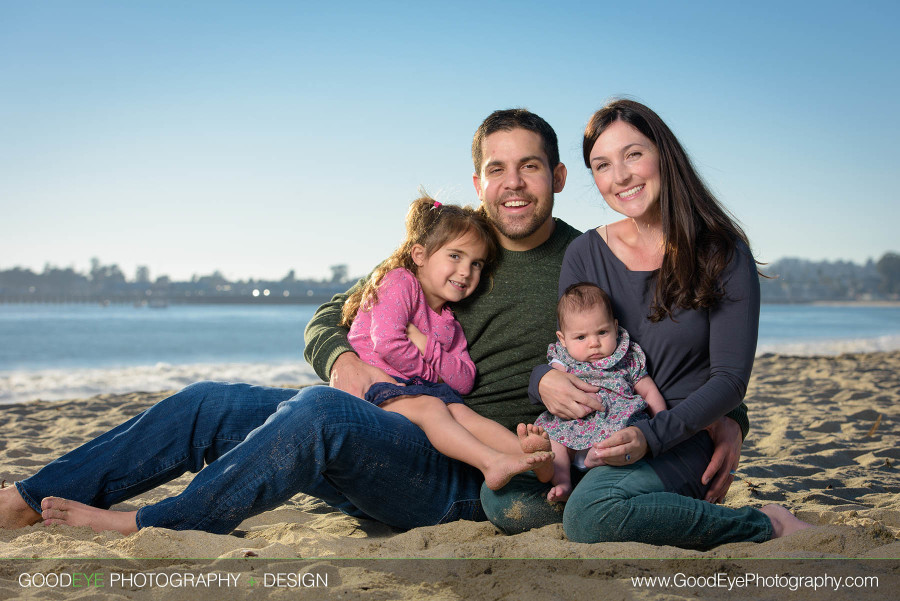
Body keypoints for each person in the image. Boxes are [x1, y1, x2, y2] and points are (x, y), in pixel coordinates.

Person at [0, 107, 745, 538]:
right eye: (496, 167)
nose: (513, 183)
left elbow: (665, 350)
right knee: (209, 401)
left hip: (480, 470)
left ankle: (156, 527)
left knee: (318, 415)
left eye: (531, 166)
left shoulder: (586, 262)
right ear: (478, 179)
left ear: (558, 176)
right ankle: (24, 501)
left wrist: (729, 416)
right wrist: (345, 364)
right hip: (390, 425)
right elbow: (335, 315)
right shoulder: (449, 249)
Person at [480, 99, 810, 549]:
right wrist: (543, 381)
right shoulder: (586, 253)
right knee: (501, 496)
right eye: (602, 164)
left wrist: (650, 438)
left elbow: (731, 381)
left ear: (664, 154)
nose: (620, 176)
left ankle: (765, 523)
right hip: (595, 430)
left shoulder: (721, 252)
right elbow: (569, 351)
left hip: (678, 434)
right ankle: (625, 511)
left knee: (591, 516)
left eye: (633, 154)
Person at [342, 195, 554, 490]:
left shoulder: (448, 321)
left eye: (476, 263)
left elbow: (464, 380)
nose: (467, 271)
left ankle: (536, 458)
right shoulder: (401, 282)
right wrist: (430, 377)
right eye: (455, 256)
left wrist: (426, 345)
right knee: (434, 408)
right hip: (375, 392)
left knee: (463, 412)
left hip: (414, 394)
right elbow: (388, 342)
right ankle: (491, 462)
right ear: (420, 255)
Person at [535, 282, 666, 502]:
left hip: (613, 419)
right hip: (573, 425)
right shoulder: (562, 361)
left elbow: (648, 391)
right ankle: (563, 481)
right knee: (554, 438)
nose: (594, 344)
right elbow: (553, 385)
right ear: (562, 339)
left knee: (623, 436)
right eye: (581, 337)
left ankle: (600, 458)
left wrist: (662, 421)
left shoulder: (627, 357)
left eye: (602, 332)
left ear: (615, 327)